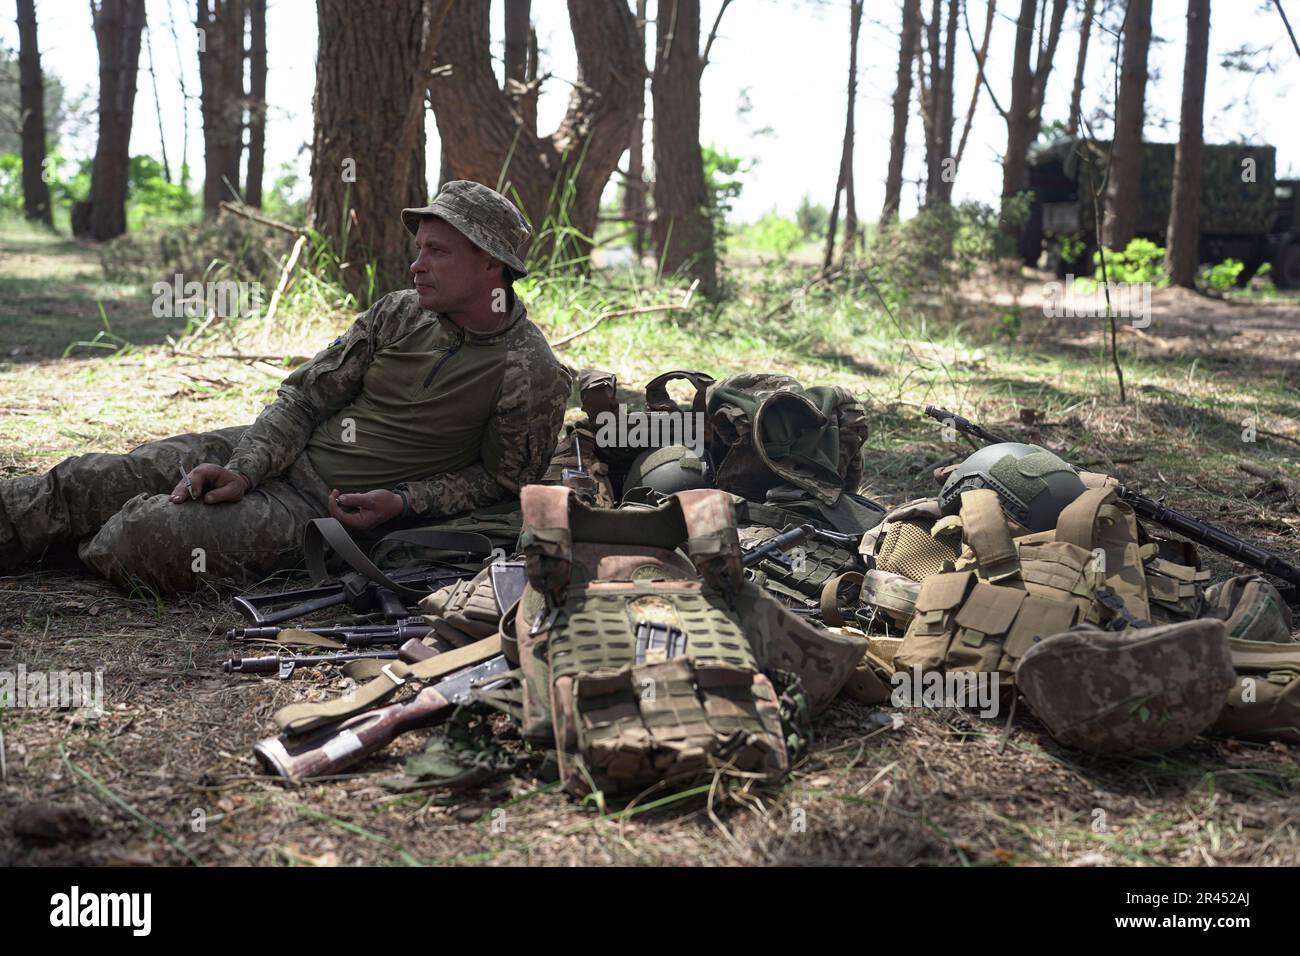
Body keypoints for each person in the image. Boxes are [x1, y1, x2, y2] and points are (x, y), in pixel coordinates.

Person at [0, 181, 572, 594]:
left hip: (319, 511)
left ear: (493, 265)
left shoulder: (530, 372)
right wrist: (248, 467)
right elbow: (306, 397)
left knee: (149, 536)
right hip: (270, 452)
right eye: (419, 248)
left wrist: (403, 502)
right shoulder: (400, 314)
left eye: (438, 252)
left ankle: (78, 541)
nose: (417, 265)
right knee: (89, 478)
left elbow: (501, 485)